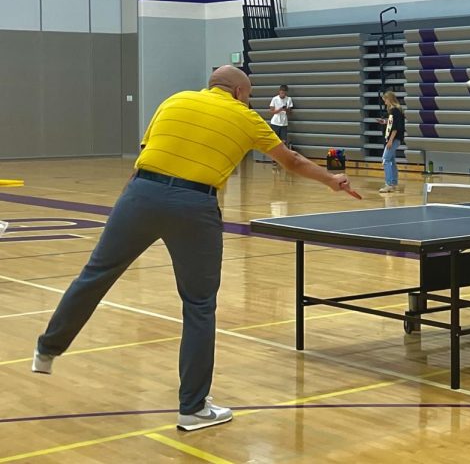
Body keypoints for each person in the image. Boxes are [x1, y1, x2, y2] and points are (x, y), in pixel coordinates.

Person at [31, 66, 358, 431]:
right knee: (199, 305)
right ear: (237, 91)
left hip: (140, 194)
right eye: (248, 94)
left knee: (95, 275)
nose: (248, 100)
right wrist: (332, 180)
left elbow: (147, 153)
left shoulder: (174, 101)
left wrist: (130, 202)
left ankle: (47, 350)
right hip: (194, 205)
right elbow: (291, 160)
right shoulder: (246, 118)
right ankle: (193, 407)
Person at [377, 90, 405, 193]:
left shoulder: (395, 111)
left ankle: (388, 184)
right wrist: (384, 121)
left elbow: (395, 128)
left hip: (394, 139)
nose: (385, 103)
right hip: (394, 139)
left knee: (385, 159)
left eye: (385, 100)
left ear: (389, 99)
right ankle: (393, 183)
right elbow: (392, 123)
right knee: (391, 160)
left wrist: (390, 141)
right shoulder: (395, 111)